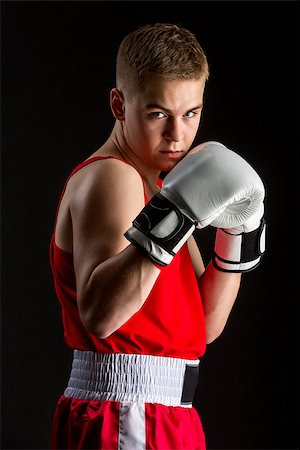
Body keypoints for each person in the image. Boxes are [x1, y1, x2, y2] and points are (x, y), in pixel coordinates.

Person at [49, 23, 266, 450]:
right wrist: (176, 215)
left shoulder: (163, 188)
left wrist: (237, 232)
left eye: (191, 113)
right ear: (118, 104)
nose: (177, 135)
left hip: (166, 413)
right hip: (126, 415)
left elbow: (200, 327)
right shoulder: (114, 176)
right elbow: (100, 315)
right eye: (157, 114)